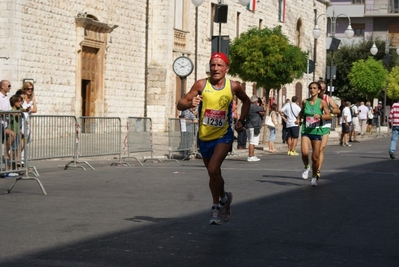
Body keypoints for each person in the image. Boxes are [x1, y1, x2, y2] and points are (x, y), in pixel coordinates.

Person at [177, 52, 250, 225]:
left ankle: (215, 206)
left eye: (219, 65)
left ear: (227, 68)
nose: (216, 68)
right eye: (213, 65)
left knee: (213, 168)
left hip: (223, 135)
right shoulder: (201, 84)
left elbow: (246, 101)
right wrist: (190, 103)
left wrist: (241, 121)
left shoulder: (233, 86)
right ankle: (224, 198)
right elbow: (180, 103)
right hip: (204, 136)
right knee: (213, 174)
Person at [297, 82, 331, 187]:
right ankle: (307, 167)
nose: (312, 90)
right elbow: (301, 113)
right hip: (306, 131)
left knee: (315, 157)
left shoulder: (322, 103)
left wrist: (320, 116)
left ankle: (314, 176)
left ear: (318, 90)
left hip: (316, 132)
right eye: (310, 88)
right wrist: (298, 119)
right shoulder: (305, 102)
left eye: (314, 88)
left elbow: (329, 116)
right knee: (305, 152)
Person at [317, 81, 340, 174]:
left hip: (325, 124)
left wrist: (330, 112)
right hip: (314, 125)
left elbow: (337, 109)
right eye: (320, 89)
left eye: (323, 89)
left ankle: (317, 170)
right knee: (315, 150)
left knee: (321, 148)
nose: (322, 91)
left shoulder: (327, 98)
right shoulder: (311, 99)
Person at [245, 95, 264, 161]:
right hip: (253, 126)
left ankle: (252, 155)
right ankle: (250, 156)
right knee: (252, 142)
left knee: (251, 141)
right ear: (255, 101)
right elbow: (263, 108)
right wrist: (263, 102)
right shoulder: (254, 107)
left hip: (248, 125)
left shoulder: (248, 106)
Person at [0, 80, 15, 162]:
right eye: (9, 86)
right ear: (2, 87)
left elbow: (9, 110)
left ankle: (6, 153)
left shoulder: (6, 97)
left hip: (5, 124)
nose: (10, 87)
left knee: (13, 135)